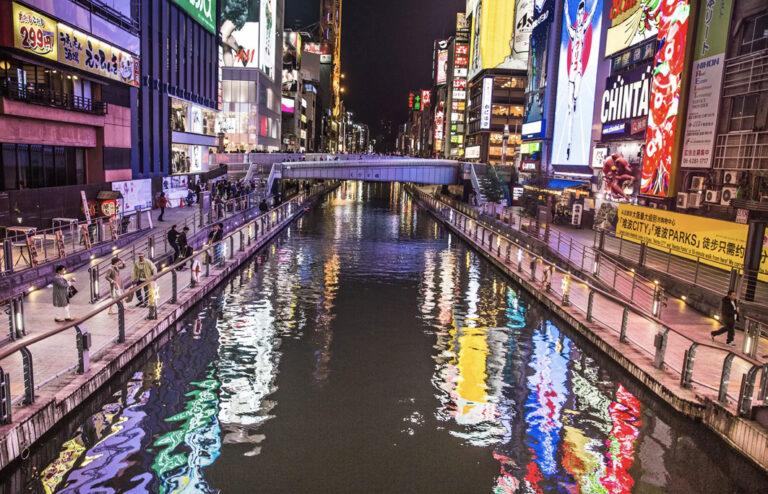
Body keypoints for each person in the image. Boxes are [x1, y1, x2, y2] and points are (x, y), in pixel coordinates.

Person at [563, 0, 598, 161]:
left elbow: (591, 14)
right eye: (579, 12)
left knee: (575, 100)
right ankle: (569, 144)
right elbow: (567, 18)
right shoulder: (572, 30)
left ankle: (573, 144)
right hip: (572, 71)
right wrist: (565, 6)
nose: (580, 15)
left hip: (578, 70)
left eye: (581, 12)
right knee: (570, 106)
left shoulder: (583, 29)